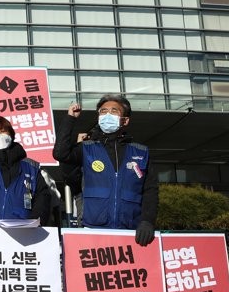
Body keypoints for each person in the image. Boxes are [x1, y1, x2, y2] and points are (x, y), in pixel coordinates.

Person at [54, 95, 158, 246]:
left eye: (114, 111)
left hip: (131, 232)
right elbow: (60, 153)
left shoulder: (140, 152)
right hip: (93, 230)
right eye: (103, 111)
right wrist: (70, 118)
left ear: (125, 120)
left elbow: (150, 190)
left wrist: (147, 221)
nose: (107, 115)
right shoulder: (88, 148)